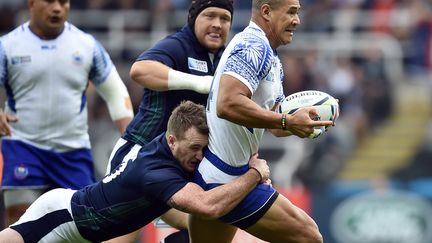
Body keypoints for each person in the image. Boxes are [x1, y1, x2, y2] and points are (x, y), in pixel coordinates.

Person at [0, 101, 271, 243]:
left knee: (197, 230)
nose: (200, 156)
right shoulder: (155, 171)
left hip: (85, 234)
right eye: (195, 148)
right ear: (172, 140)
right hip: (61, 218)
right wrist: (253, 175)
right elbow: (207, 206)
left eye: (204, 149)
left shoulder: (176, 149)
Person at [188, 0, 335, 242]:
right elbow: (227, 103)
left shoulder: (271, 55)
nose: (297, 20)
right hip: (226, 177)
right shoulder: (253, 46)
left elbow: (274, 125)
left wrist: (304, 122)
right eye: (291, 12)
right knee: (309, 237)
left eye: (297, 13)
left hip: (221, 175)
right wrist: (287, 121)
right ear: (266, 12)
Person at [105, 0, 233, 241]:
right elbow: (140, 70)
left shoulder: (226, 58)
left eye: (224, 19)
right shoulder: (178, 45)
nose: (217, 24)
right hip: (138, 157)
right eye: (210, 16)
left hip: (179, 165)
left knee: (209, 226)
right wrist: (199, 82)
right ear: (194, 18)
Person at [0, 0, 133, 226]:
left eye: (63, 2)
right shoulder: (8, 45)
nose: (57, 8)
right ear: (32, 3)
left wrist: (132, 140)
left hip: (72, 152)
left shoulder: (86, 45)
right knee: (20, 220)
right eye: (50, 1)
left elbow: (115, 92)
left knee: (80, 225)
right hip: (23, 146)